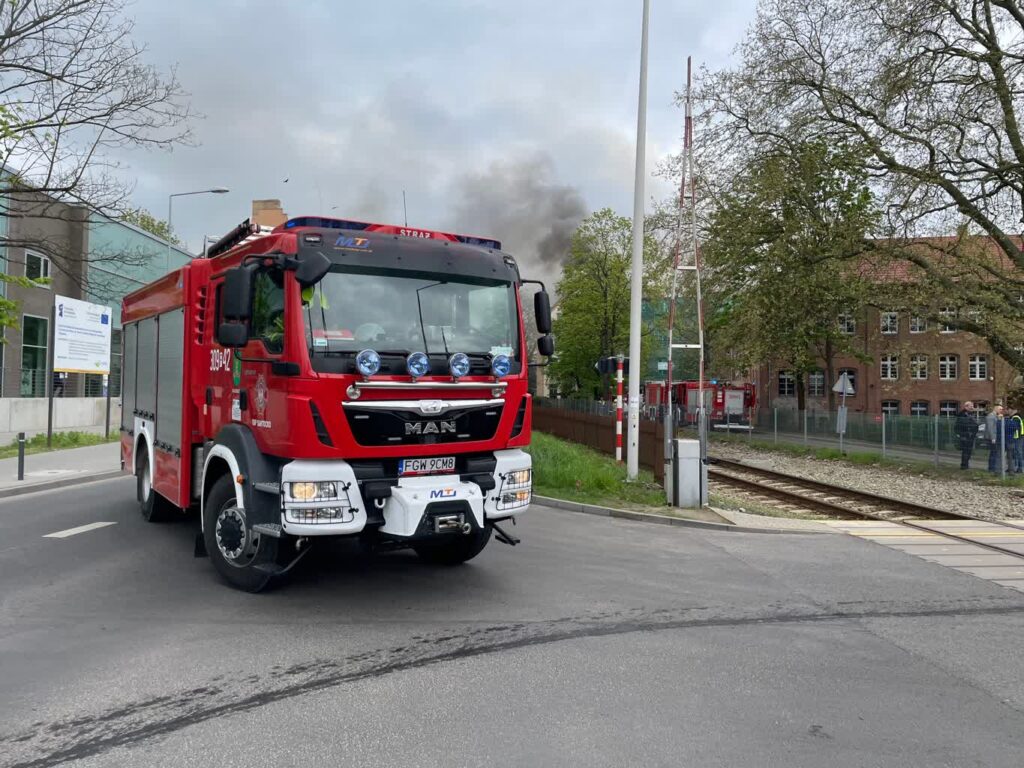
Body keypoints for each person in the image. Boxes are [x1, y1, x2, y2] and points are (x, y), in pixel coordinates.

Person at [955, 401, 978, 470]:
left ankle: (966, 464)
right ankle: (964, 465)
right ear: (966, 406)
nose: (972, 407)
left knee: (969, 451)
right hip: (965, 435)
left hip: (971, 435)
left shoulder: (972, 414)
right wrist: (960, 434)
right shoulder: (962, 415)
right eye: (970, 406)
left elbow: (975, 424)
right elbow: (958, 426)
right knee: (965, 451)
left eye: (972, 406)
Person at [986, 404, 1005, 473]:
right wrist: (993, 438)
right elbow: (990, 428)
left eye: (1002, 409)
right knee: (993, 452)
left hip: (995, 437)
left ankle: (993, 467)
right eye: (1000, 409)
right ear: (995, 409)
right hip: (992, 438)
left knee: (994, 452)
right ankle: (991, 468)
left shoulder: (996, 416)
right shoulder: (991, 416)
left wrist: (999, 419)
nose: (1001, 411)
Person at [1012, 409, 1024, 474]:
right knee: (1020, 452)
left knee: (1018, 453)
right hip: (1021, 436)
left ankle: (1019, 468)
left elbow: (1015, 428)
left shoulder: (1015, 418)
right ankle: (1019, 467)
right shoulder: (1020, 417)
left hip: (1017, 437)